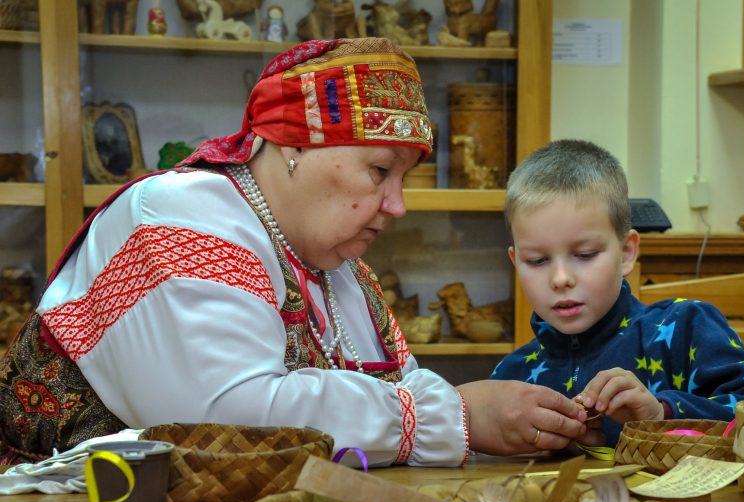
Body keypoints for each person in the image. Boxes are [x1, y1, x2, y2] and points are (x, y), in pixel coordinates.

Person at [0, 38, 588, 468]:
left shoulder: (336, 265)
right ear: (293, 145)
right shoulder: (178, 215)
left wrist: (473, 413)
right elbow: (224, 420)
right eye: (380, 170)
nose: (397, 205)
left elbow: (404, 382)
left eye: (403, 178)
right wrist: (456, 416)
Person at [491, 140, 744, 448]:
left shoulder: (687, 326)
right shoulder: (510, 377)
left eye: (585, 254)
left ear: (626, 253)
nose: (561, 279)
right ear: (516, 263)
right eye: (537, 261)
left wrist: (663, 412)